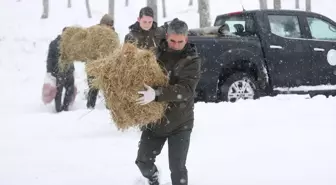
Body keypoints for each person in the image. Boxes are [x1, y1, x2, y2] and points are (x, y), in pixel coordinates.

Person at [135, 19, 201, 185]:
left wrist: (157, 94)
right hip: (155, 120)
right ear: (167, 36)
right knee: (143, 162)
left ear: (186, 39)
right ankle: (153, 178)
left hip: (181, 122)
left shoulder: (192, 60)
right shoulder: (155, 54)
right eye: (172, 41)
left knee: (178, 169)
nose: (176, 45)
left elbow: (186, 90)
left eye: (180, 41)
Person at [86, 14, 115, 109]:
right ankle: (90, 107)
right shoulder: (93, 33)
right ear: (102, 24)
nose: (109, 27)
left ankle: (109, 108)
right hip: (94, 65)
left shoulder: (114, 35)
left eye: (110, 26)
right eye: (107, 25)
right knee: (93, 88)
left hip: (108, 66)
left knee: (109, 88)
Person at [46, 27, 75, 112]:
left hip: (69, 71)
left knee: (70, 89)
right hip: (59, 71)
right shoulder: (54, 43)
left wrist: (72, 68)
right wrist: (49, 70)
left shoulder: (71, 44)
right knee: (59, 91)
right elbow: (50, 58)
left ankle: (65, 108)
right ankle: (58, 110)